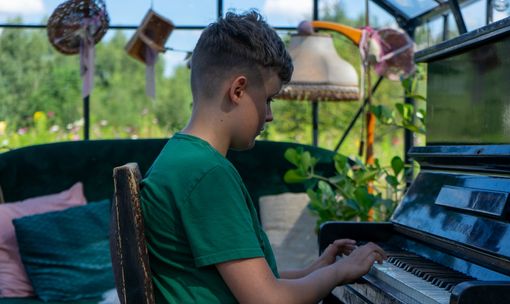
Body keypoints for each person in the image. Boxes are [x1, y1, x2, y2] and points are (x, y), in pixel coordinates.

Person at [140, 10, 386, 304]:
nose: (269, 115)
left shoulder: (179, 158)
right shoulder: (207, 174)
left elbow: (250, 281)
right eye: (268, 99)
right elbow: (268, 300)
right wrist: (340, 272)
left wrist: (316, 270)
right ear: (238, 90)